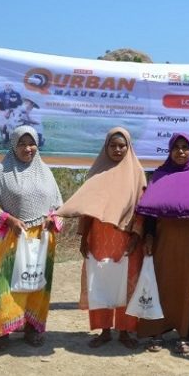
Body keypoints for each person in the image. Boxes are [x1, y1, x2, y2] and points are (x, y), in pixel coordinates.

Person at [57, 127, 147, 349]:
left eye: (121, 145)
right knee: (102, 283)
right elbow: (87, 207)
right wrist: (83, 237)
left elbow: (142, 208)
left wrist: (136, 234)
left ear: (129, 147)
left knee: (127, 284)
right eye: (112, 145)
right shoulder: (96, 172)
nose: (117, 149)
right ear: (105, 147)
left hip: (127, 238)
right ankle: (105, 330)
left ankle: (125, 331)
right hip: (99, 236)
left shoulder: (137, 173)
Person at [136, 133, 189, 354]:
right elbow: (150, 212)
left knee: (186, 288)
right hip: (163, 239)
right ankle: (157, 333)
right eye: (177, 147)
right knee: (161, 284)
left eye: (185, 147)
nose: (181, 151)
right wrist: (149, 237)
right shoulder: (161, 175)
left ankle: (184, 334)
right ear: (170, 150)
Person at [0, 125, 63, 351]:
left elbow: (59, 206)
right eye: (22, 144)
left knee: (36, 283)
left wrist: (52, 219)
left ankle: (32, 328)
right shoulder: (2, 172)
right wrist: (9, 220)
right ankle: (2, 332)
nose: (28, 148)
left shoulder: (46, 172)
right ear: (13, 145)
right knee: (4, 285)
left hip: (41, 239)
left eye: (32, 143)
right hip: (12, 237)